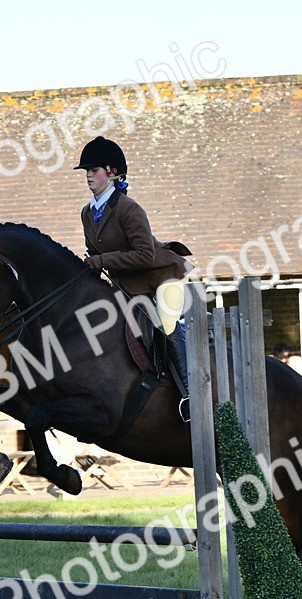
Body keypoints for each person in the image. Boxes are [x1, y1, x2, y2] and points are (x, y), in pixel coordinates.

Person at [75, 136, 193, 419]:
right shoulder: (88, 213)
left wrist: (101, 260)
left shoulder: (129, 209)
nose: (88, 175)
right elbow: (96, 253)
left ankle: (192, 394)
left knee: (164, 324)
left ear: (112, 172)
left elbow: (145, 255)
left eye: (93, 170)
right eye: (87, 171)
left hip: (161, 278)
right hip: (127, 286)